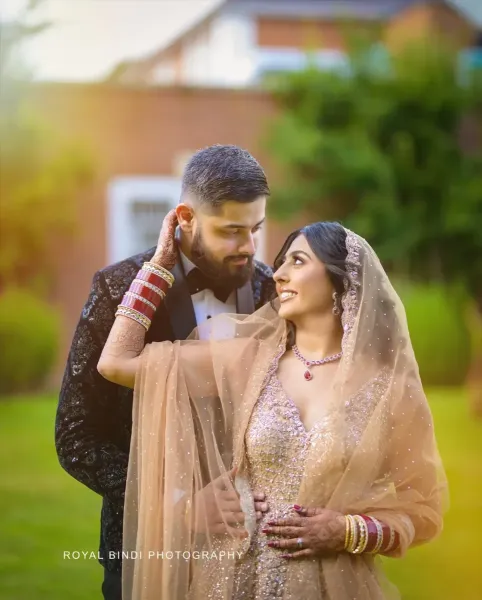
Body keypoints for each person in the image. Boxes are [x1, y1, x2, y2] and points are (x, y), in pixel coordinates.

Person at [97, 217, 447, 600]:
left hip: (334, 585)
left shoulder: (389, 390)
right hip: (232, 579)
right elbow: (116, 363)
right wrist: (159, 267)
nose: (278, 275)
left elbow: (424, 509)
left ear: (340, 279)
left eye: (297, 261)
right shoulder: (249, 360)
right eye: (280, 263)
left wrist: (348, 531)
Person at [55, 145, 276, 600]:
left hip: (258, 557)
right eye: (231, 231)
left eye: (255, 229)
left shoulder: (271, 286)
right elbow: (76, 437)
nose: (248, 248)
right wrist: (180, 507)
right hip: (144, 552)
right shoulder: (119, 287)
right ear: (185, 217)